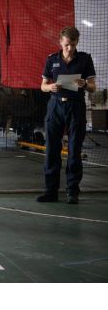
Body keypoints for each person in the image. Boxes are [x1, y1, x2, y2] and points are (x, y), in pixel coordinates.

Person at [37, 26, 96, 204]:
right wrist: (51, 87)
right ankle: (50, 191)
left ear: (78, 42)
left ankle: (72, 191)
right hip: (55, 107)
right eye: (67, 45)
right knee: (52, 149)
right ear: (61, 42)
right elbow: (43, 85)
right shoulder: (51, 60)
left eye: (74, 44)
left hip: (76, 107)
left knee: (74, 150)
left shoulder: (85, 59)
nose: (70, 48)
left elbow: (93, 87)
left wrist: (85, 83)